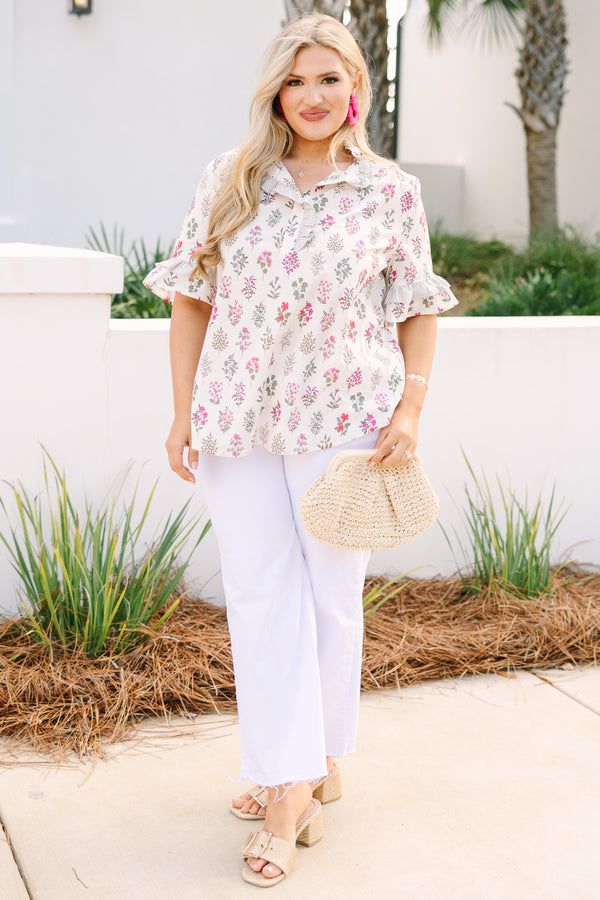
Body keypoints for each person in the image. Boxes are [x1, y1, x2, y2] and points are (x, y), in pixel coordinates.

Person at [144, 13, 458, 888]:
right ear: (275, 91)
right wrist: (182, 414)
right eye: (296, 80)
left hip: (348, 419)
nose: (312, 96)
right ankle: (296, 777)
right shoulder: (231, 178)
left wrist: (411, 412)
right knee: (256, 592)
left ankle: (302, 771)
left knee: (328, 595)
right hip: (237, 415)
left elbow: (416, 305)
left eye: (329, 79)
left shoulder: (390, 191)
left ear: (354, 87)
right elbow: (190, 300)